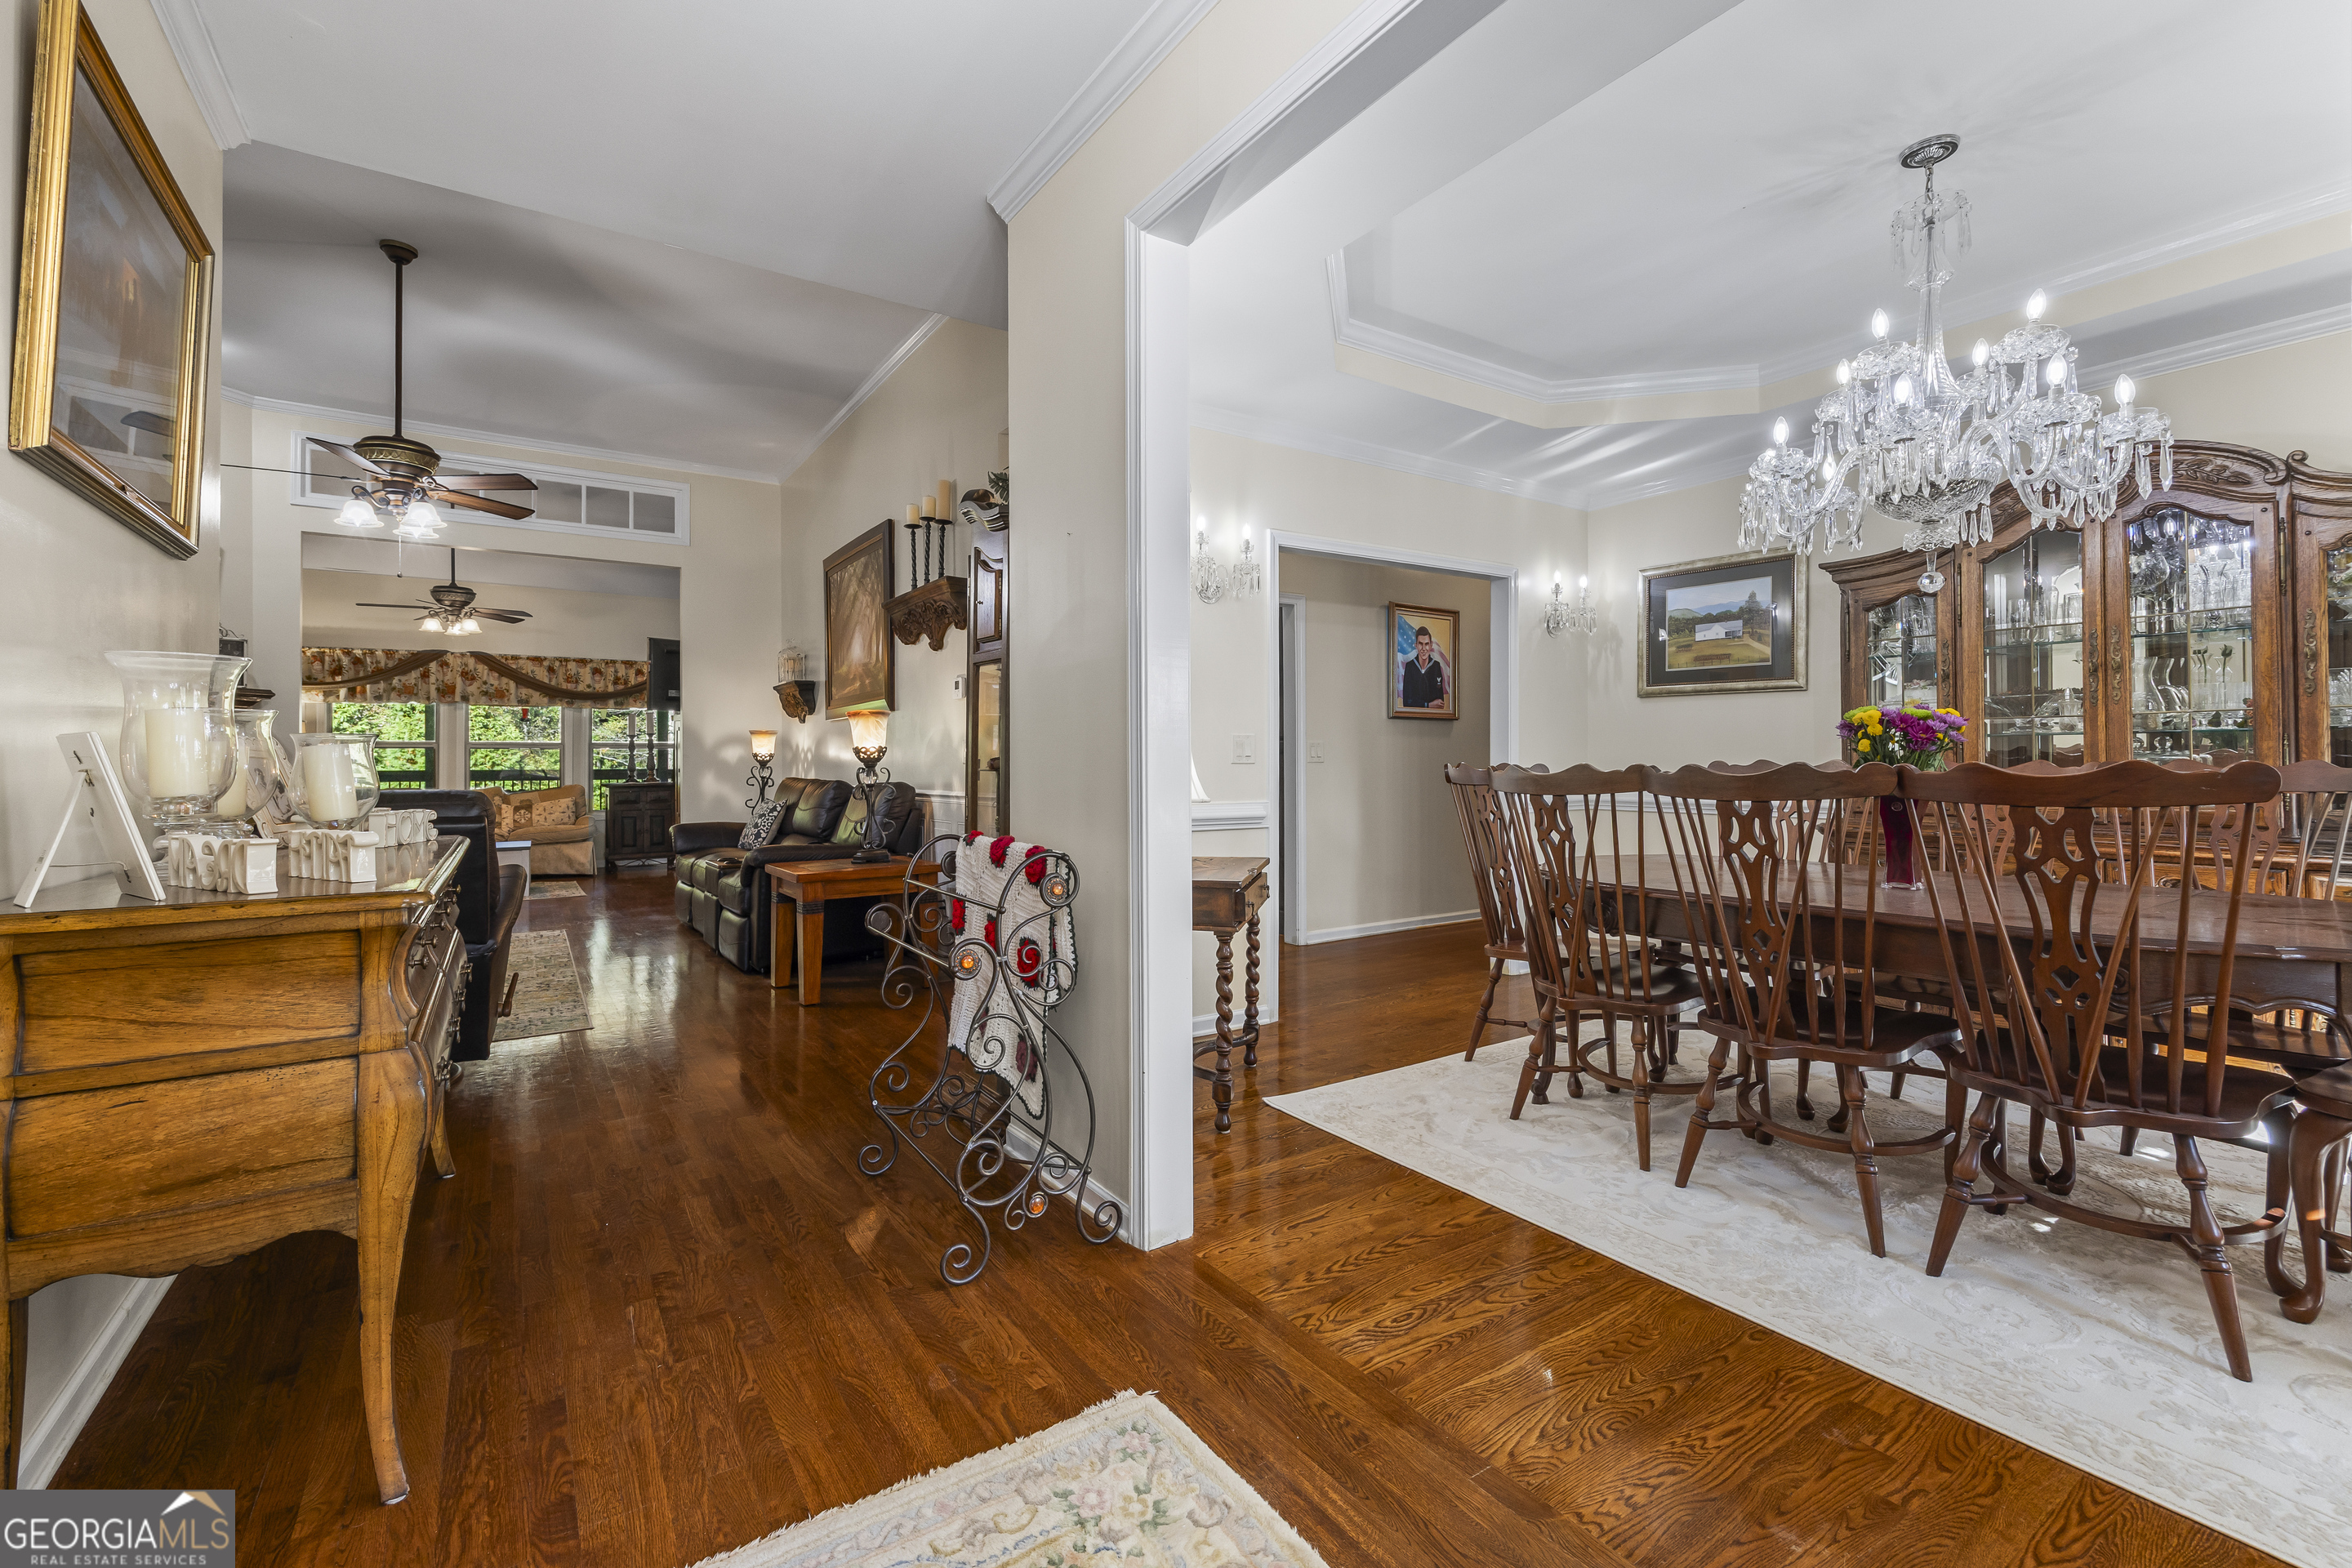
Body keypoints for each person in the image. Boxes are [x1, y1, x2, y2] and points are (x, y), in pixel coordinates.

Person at [1399, 623, 1449, 710]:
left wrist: (1417, 703)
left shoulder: (1436, 666)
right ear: (1416, 645)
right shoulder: (1410, 666)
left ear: (1431, 645)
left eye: (1426, 644)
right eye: (1421, 644)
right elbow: (1407, 702)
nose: (1423, 648)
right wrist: (1428, 705)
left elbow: (1440, 703)